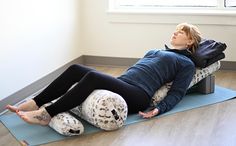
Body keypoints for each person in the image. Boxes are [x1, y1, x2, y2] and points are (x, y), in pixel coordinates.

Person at [6, 22, 201, 126]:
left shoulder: (186, 63)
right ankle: (35, 102)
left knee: (93, 77)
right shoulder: (156, 51)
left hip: (139, 95)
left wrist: (159, 109)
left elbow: (177, 92)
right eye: (175, 30)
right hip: (124, 83)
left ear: (190, 41)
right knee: (76, 69)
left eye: (180, 32)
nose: (174, 33)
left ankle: (46, 115)